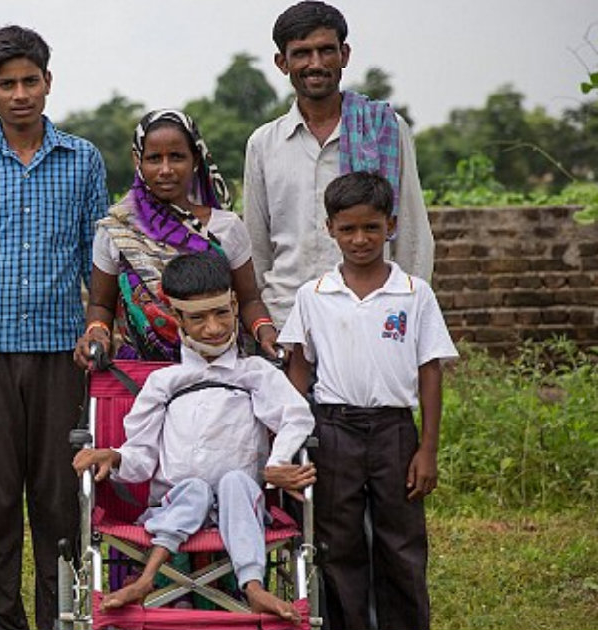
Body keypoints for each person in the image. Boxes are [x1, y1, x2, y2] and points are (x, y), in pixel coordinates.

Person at [0, 24, 109, 630]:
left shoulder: (83, 158)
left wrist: (98, 323)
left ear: (47, 83)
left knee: (61, 504)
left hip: (64, 357)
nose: (19, 94)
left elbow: (101, 256)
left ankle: (58, 619)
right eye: (6, 84)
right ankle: (4, 622)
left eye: (29, 81)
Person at [72, 251, 315, 620]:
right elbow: (140, 460)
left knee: (234, 481)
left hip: (242, 507)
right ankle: (147, 578)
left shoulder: (253, 374)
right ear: (177, 319)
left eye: (221, 313)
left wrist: (277, 463)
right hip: (176, 505)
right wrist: (115, 456)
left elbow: (296, 417)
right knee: (195, 489)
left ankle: (252, 587)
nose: (214, 328)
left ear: (235, 305)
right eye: (198, 318)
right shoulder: (164, 382)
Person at [278, 171, 458, 630]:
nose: (360, 239)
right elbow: (299, 370)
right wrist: (289, 440)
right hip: (333, 431)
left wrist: (428, 449)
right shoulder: (313, 296)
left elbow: (430, 371)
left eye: (371, 228)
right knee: (337, 542)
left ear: (391, 225)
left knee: (400, 541)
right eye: (348, 229)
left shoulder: (415, 294)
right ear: (330, 229)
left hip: (394, 431)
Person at [243, 0, 435, 331]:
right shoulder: (263, 143)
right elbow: (257, 248)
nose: (315, 64)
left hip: (372, 315)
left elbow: (413, 234)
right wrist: (262, 324)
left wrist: (408, 317)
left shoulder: (385, 129)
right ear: (282, 62)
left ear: (344, 55)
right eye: (302, 53)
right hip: (288, 318)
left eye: (326, 51)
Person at [74, 109, 278, 368]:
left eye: (177, 157)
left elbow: (249, 300)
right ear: (138, 161)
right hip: (141, 376)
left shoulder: (226, 228)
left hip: (219, 371)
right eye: (154, 158)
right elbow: (100, 304)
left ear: (196, 159)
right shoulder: (116, 230)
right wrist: (96, 332)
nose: (166, 169)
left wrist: (265, 331)